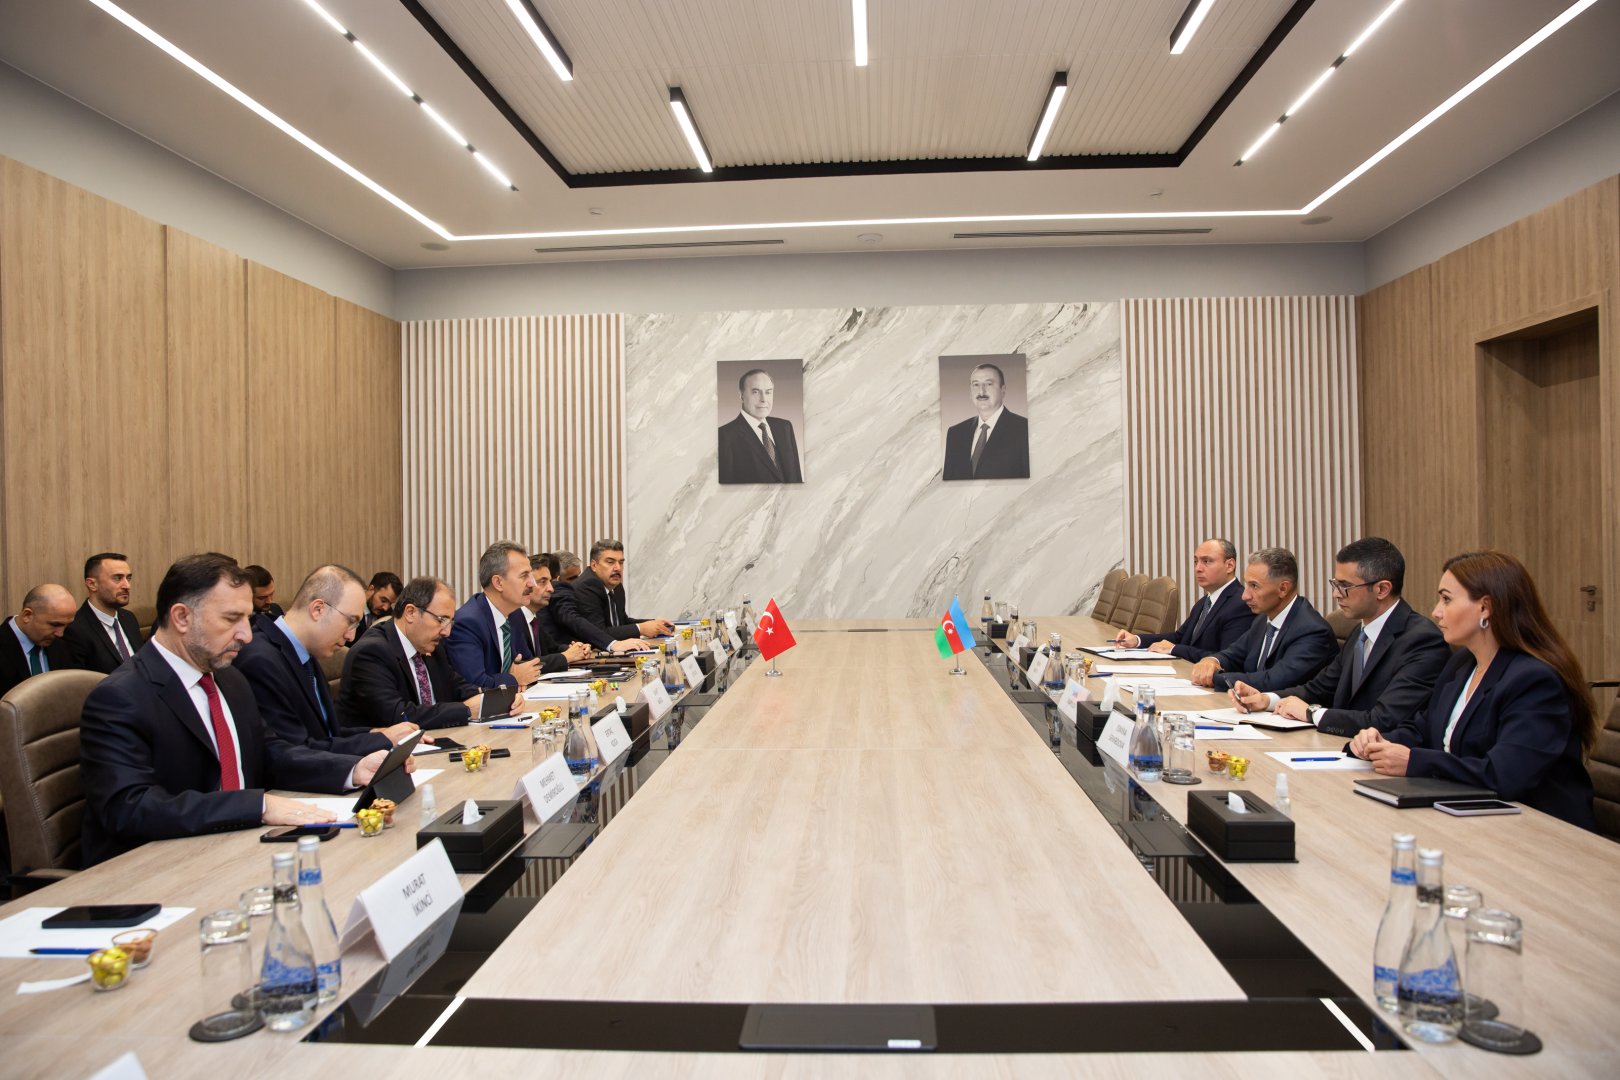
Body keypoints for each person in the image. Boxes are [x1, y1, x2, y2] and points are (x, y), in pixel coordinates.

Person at [78, 554, 400, 866]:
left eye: (247, 618)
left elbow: (270, 752)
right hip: (157, 869)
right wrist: (256, 806)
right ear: (182, 617)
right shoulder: (120, 697)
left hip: (238, 851)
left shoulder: (229, 680)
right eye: (232, 619)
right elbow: (130, 807)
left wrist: (352, 769)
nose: (246, 635)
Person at [1350, 551, 1597, 830]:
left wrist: (1413, 761)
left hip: (1542, 830)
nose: (1436, 611)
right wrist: (1378, 740)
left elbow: (1504, 775)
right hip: (1472, 816)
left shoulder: (1534, 680)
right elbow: (1424, 728)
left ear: (1485, 608)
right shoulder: (1463, 663)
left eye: (1446, 599)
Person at [1231, 538, 1450, 736]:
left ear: (1382, 589)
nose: (1336, 594)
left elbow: (1384, 719)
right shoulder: (1360, 632)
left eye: (1345, 586)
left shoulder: (1421, 641)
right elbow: (1318, 689)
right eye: (1335, 584)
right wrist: (1266, 699)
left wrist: (1311, 713)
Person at [236, 565, 418, 756]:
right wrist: (381, 740)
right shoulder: (260, 661)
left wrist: (377, 733)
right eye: (350, 622)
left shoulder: (306, 653)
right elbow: (295, 751)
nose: (351, 636)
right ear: (318, 609)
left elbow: (326, 734)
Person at [337, 575, 484, 731]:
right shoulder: (371, 652)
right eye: (441, 620)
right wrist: (465, 710)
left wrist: (493, 697)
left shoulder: (430, 646)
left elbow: (456, 686)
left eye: (450, 622)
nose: (446, 632)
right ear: (410, 612)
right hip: (379, 745)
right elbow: (398, 716)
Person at [1190, 547, 1336, 692]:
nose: (1245, 596)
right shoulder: (1263, 619)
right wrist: (1212, 661)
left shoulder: (1312, 631)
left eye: (1254, 586)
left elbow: (1274, 681)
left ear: (1283, 589)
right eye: (1246, 584)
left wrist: (1215, 678)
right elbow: (1234, 654)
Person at [1113, 539, 1249, 660]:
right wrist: (1137, 640)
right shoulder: (1205, 602)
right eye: (1196, 561)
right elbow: (1180, 637)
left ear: (1229, 566)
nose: (1198, 568)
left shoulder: (1241, 604)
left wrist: (1174, 649)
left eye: (1207, 561)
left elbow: (1226, 659)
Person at [445, 541, 548, 689]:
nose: (532, 583)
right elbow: (475, 684)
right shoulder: (467, 623)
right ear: (498, 583)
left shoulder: (514, 614)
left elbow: (528, 666)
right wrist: (513, 678)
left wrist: (518, 676)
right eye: (524, 575)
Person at [59, 553, 146, 674]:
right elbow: (78, 682)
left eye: (128, 578)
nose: (127, 585)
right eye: (117, 578)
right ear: (92, 584)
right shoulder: (74, 629)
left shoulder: (129, 618)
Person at [573, 540, 675, 641]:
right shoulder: (586, 587)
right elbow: (598, 634)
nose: (618, 568)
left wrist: (654, 624)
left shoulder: (616, 586)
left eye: (621, 562)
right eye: (610, 562)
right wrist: (640, 629)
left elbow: (622, 622)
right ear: (594, 565)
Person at [942, 362, 1029, 480]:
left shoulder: (1023, 429)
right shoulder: (955, 433)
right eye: (976, 384)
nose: (981, 391)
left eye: (988, 384)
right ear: (970, 392)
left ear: (1003, 390)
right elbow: (948, 483)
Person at [717, 368, 803, 484]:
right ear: (741, 395)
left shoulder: (785, 427)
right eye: (755, 392)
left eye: (768, 392)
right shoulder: (724, 436)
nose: (764, 399)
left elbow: (796, 477)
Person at [1, 584, 76, 695]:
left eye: (67, 625)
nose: (60, 634)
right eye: (55, 624)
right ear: (27, 615)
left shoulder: (63, 647)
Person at [521, 555, 591, 667]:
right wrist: (566, 657)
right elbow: (523, 664)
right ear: (525, 584)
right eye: (543, 582)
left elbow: (553, 648)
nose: (551, 589)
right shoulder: (512, 620)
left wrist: (576, 649)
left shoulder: (534, 619)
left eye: (550, 582)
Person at [357, 571, 402, 638]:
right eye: (383, 600)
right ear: (371, 589)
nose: (386, 608)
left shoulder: (389, 616)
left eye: (390, 603)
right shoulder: (351, 606)